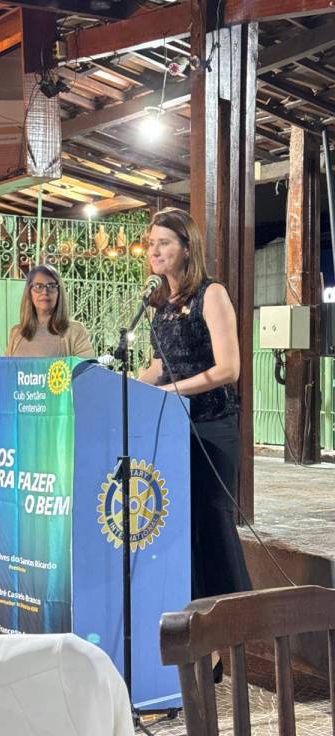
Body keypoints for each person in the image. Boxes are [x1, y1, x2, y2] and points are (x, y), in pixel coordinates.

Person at [139, 208, 251, 606]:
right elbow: (159, 366)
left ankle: (234, 620)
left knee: (213, 523)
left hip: (212, 427)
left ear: (187, 248)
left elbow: (229, 369)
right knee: (179, 525)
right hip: (174, 428)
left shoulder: (211, 293)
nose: (154, 251)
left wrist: (173, 391)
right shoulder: (161, 304)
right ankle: (194, 624)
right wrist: (125, 388)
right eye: (151, 244)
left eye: (164, 243)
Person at [6, 264, 94, 358]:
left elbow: (87, 366)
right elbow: (6, 366)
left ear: (59, 292)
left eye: (51, 286)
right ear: (29, 292)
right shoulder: (16, 333)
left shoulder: (75, 331)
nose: (45, 292)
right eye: (38, 286)